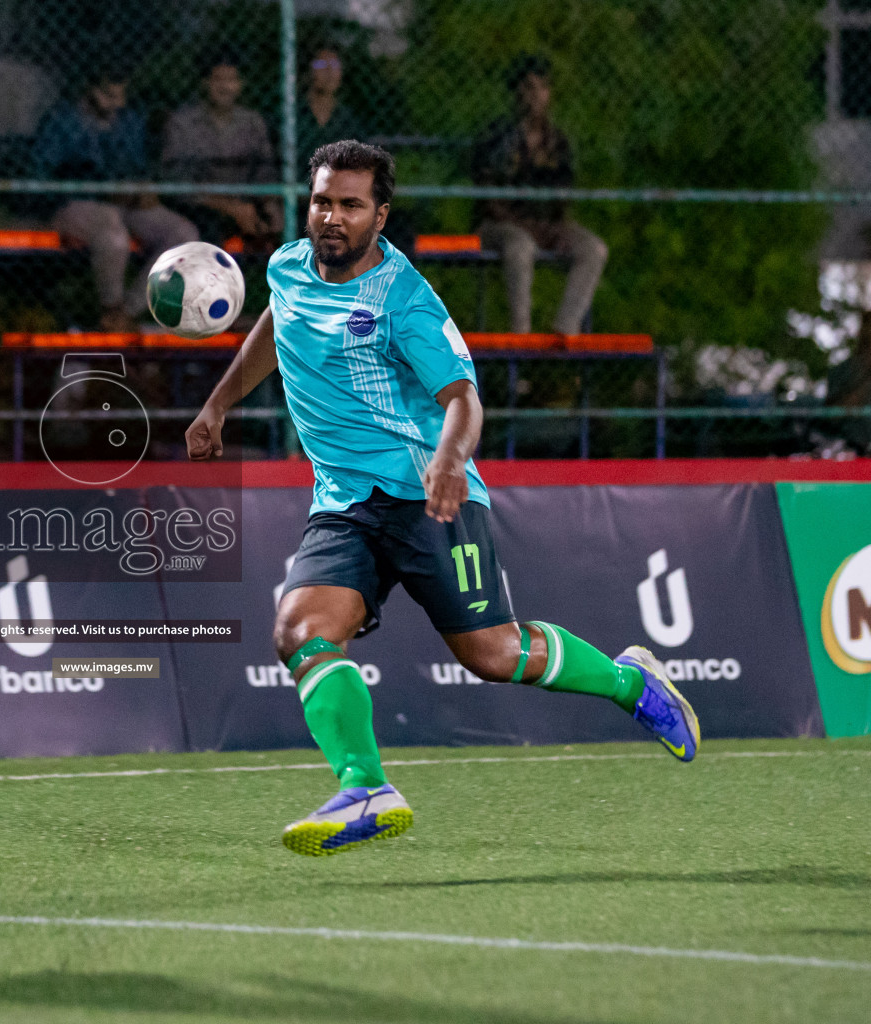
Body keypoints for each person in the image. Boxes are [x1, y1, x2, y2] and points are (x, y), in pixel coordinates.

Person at [185, 140, 699, 857]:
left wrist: (451, 462)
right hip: (343, 505)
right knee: (300, 632)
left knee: (493, 654)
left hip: (427, 496)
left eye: (350, 205)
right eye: (322, 201)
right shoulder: (287, 268)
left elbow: (462, 396)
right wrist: (216, 407)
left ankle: (629, 682)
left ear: (380, 216)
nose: (331, 217)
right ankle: (365, 787)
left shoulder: (404, 299)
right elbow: (276, 326)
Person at [32, 65, 198, 332]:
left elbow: (137, 167)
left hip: (125, 204)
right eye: (109, 95)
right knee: (114, 236)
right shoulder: (62, 120)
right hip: (78, 203)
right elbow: (43, 175)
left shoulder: (128, 121)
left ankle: (125, 313)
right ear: (90, 90)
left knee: (184, 235)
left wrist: (141, 188)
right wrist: (100, 188)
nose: (116, 103)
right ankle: (111, 309)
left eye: (121, 96)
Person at [471, 54, 608, 335]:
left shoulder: (557, 142)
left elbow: (563, 194)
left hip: (544, 227)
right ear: (517, 91)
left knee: (594, 249)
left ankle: (564, 331)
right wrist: (528, 227)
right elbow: (488, 198)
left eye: (543, 88)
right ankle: (521, 335)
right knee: (521, 246)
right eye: (529, 87)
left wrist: (558, 227)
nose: (536, 96)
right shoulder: (498, 137)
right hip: (500, 226)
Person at [161, 54, 283, 247]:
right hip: (201, 205)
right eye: (218, 79)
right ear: (205, 83)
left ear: (240, 85)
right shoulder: (183, 123)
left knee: (282, 217)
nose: (225, 87)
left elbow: (264, 171)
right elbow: (179, 185)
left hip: (246, 202)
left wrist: (269, 203)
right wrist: (230, 207)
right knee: (208, 225)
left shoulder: (252, 122)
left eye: (231, 80)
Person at [296, 45, 365, 164]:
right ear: (309, 71)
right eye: (321, 64)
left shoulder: (348, 119)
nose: (329, 71)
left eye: (335, 64)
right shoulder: (294, 116)